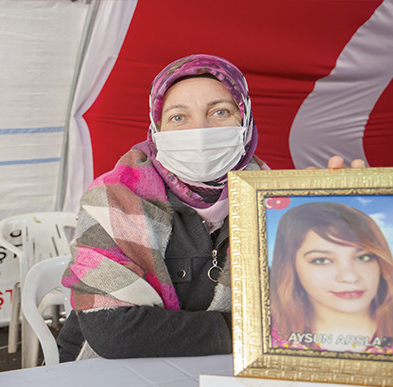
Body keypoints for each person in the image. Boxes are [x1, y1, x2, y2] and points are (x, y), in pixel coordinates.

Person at [56, 54, 365, 362]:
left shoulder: (277, 198)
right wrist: (251, 331)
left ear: (244, 123)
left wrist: (344, 216)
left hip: (225, 374)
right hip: (105, 376)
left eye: (220, 112)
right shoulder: (113, 199)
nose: (199, 130)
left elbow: (312, 304)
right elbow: (113, 330)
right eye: (179, 117)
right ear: (156, 129)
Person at [269, 202, 393, 354]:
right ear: (290, 268)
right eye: (322, 260)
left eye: (363, 257)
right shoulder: (263, 333)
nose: (349, 277)